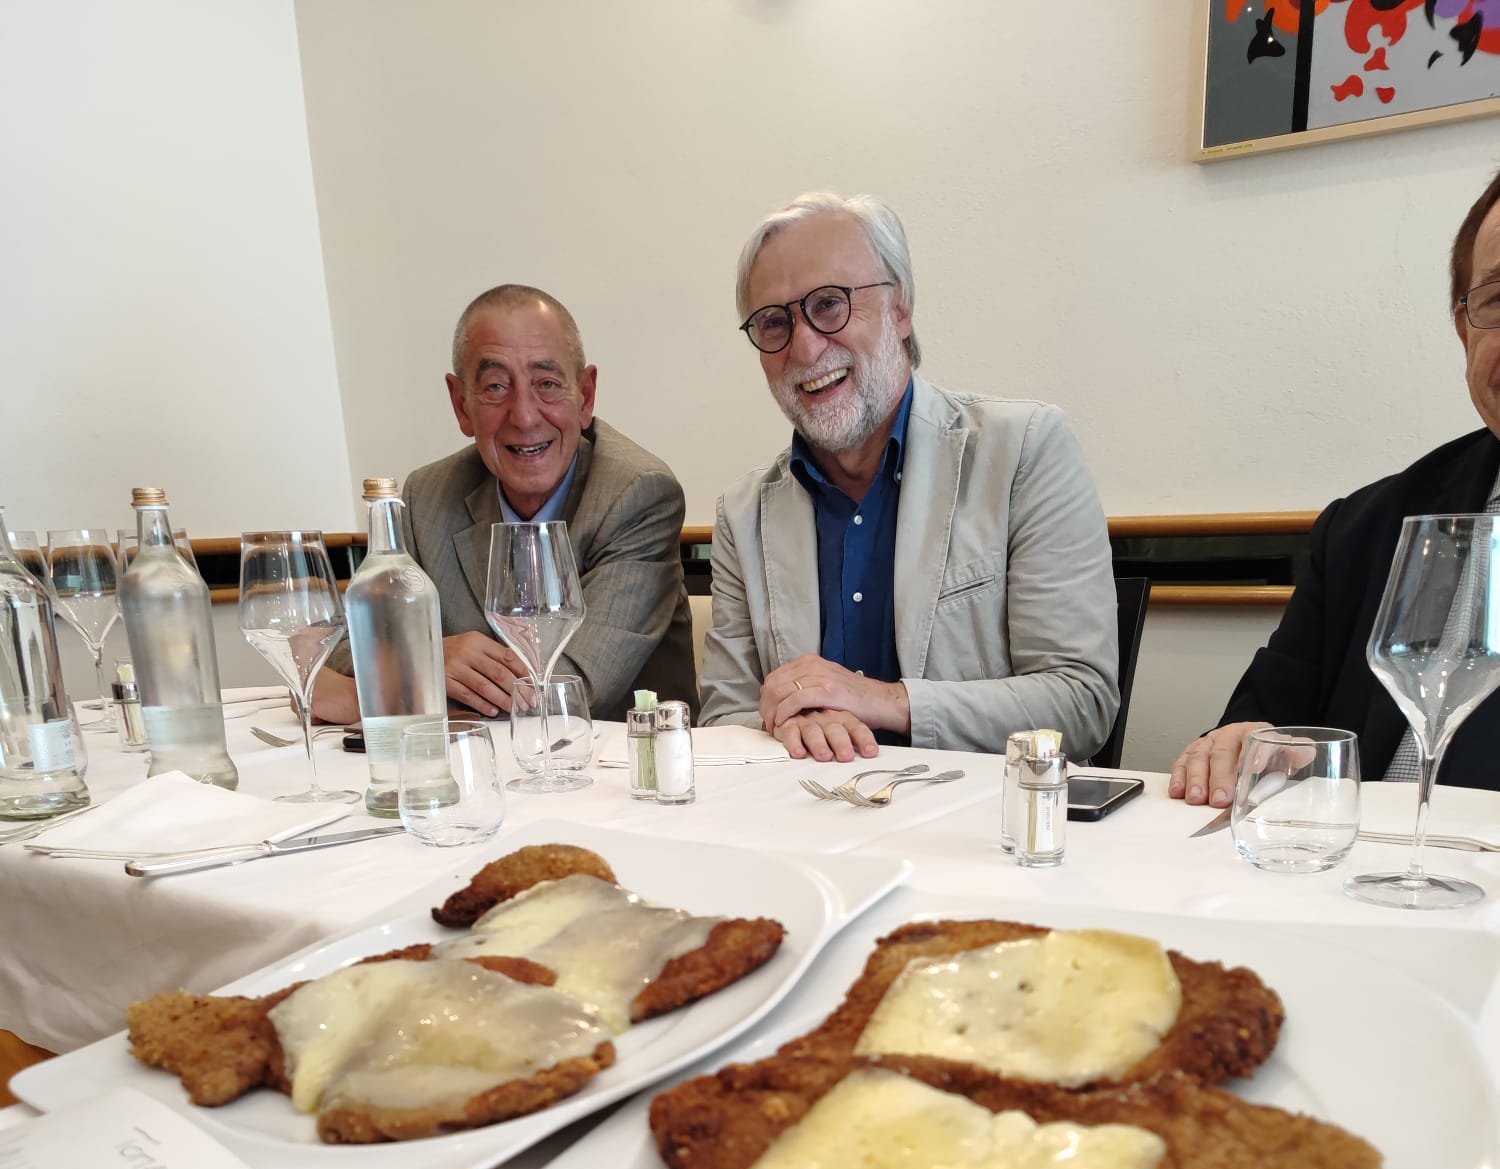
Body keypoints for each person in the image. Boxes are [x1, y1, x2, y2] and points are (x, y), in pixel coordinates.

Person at [696, 191, 1119, 760]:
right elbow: (725, 717)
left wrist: (886, 701)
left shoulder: (1023, 449)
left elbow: (1081, 702)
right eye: (774, 322)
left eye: (830, 304)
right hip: (810, 806)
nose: (805, 347)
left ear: (900, 308)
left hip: (978, 811)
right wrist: (795, 728)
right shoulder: (743, 514)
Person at [1170, 165, 1500, 807]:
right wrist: (1240, 746)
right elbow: (1261, 731)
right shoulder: (1365, 528)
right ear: (1464, 332)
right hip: (1349, 865)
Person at [316, 284, 697, 725]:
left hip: (618, 758)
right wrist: (429, 661)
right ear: (462, 404)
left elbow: (564, 692)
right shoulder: (427, 497)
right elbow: (336, 649)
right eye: (496, 387)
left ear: (586, 395)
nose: (525, 416)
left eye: (547, 384)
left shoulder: (638, 493)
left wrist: (376, 692)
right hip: (471, 761)